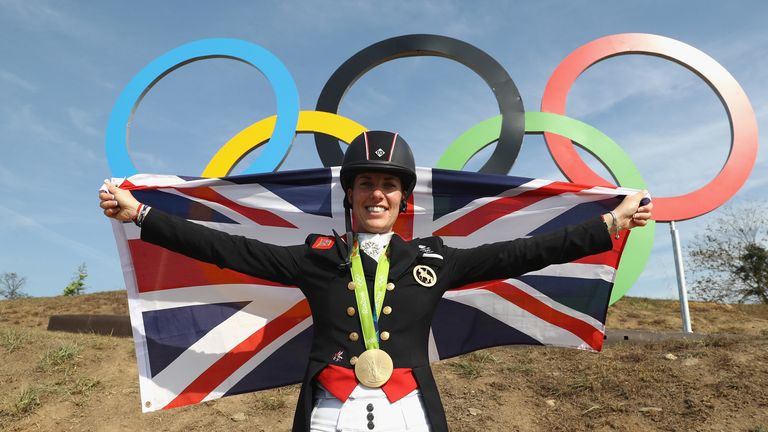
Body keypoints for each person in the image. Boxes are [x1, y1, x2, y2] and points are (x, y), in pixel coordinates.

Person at [99, 130, 652, 432]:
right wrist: (141, 215)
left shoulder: (433, 260)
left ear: (403, 198)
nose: (377, 195)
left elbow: (524, 251)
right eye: (366, 184)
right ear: (352, 195)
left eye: (389, 185)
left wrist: (609, 223)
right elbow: (228, 247)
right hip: (329, 409)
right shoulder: (318, 257)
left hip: (409, 410)